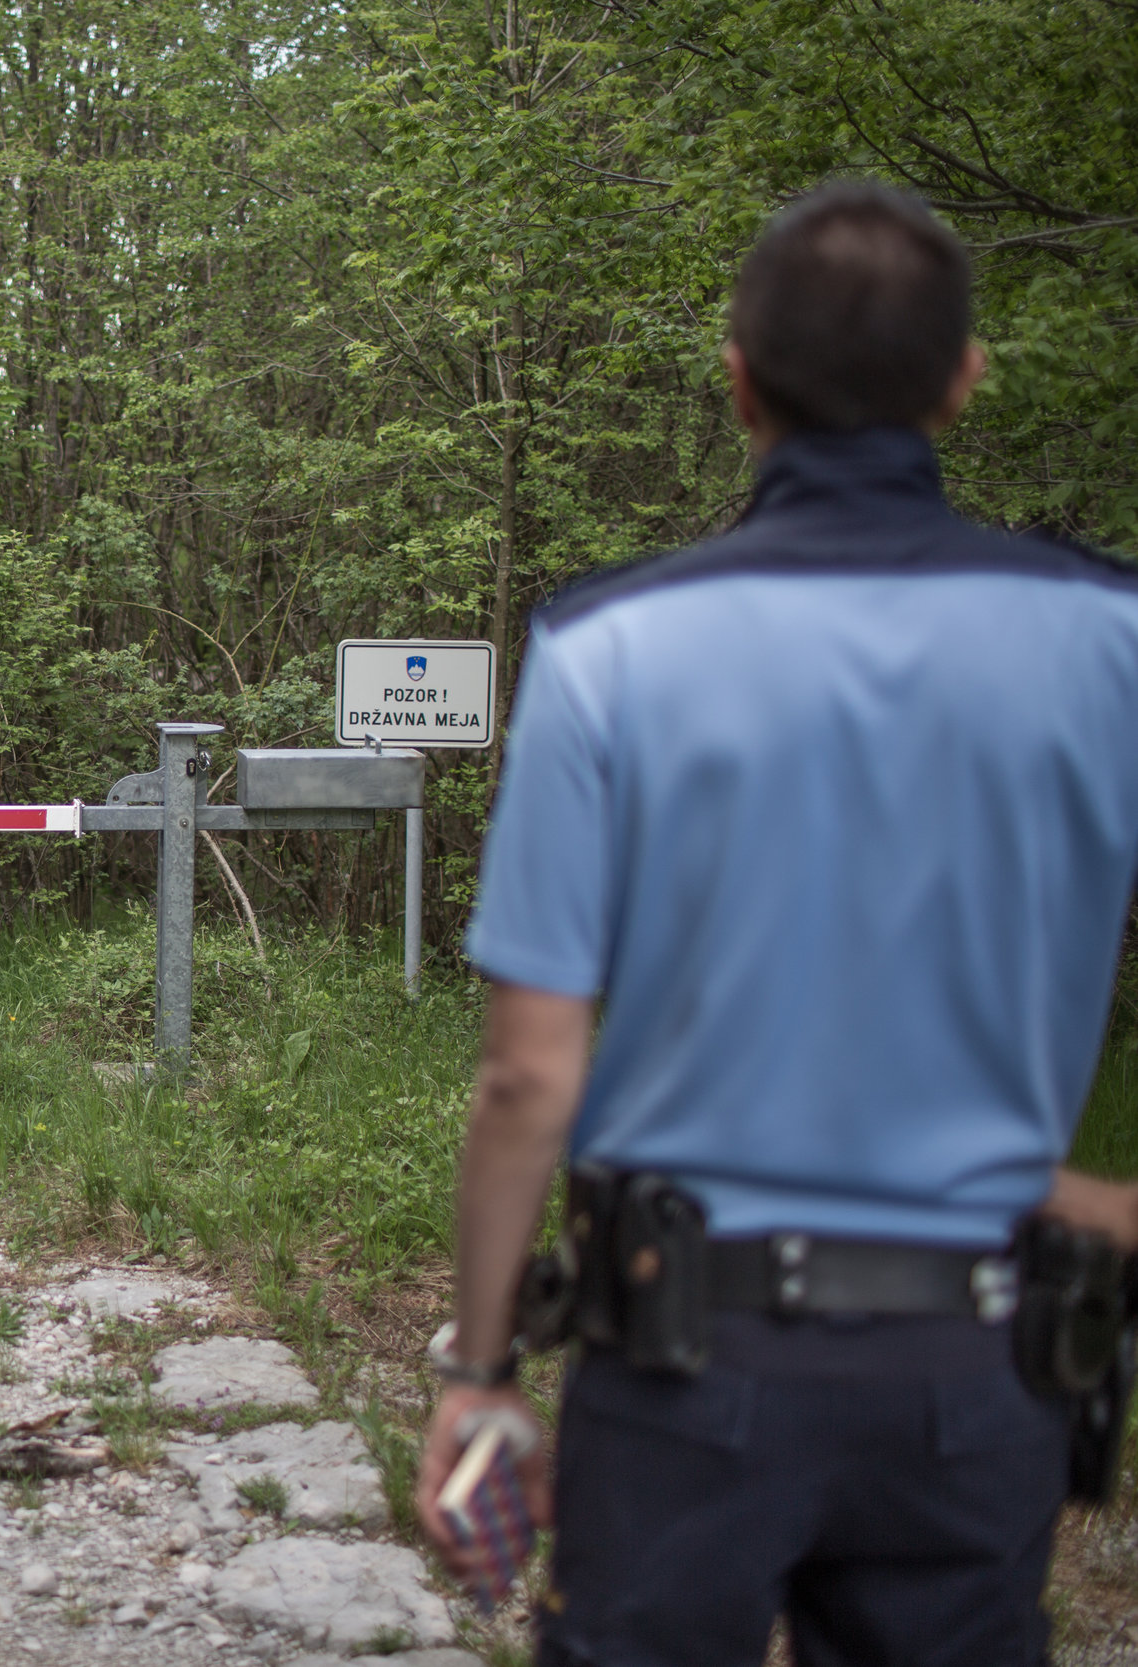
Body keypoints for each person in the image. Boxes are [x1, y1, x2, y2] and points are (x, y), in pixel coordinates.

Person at [415, 183, 1138, 1665]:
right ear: (964, 378)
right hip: (984, 1361)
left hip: (690, 1364)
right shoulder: (1108, 639)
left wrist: (479, 1363)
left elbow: (527, 1075)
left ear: (737, 376)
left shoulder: (607, 642)